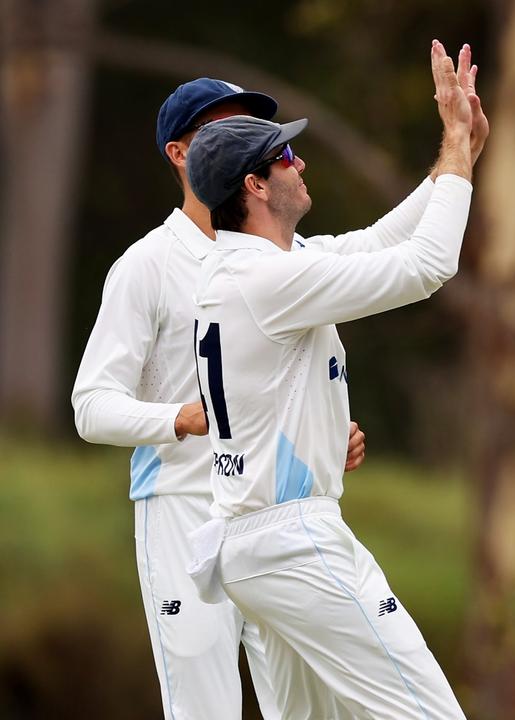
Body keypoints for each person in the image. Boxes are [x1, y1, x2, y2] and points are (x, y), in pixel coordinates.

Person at [70, 73, 401, 718]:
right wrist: (181, 419)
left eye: (251, 129)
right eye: (219, 129)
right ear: (179, 154)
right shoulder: (146, 265)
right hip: (182, 507)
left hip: (271, 519)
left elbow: (298, 380)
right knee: (204, 707)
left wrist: (331, 437)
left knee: (300, 704)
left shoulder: (287, 253)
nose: (242, 140)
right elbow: (90, 405)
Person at [181, 40, 483, 718]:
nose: (300, 162)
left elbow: (383, 238)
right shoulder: (267, 278)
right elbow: (428, 265)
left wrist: (462, 148)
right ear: (255, 187)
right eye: (285, 157)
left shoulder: (271, 265)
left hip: (254, 544)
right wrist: (458, 145)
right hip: (293, 543)